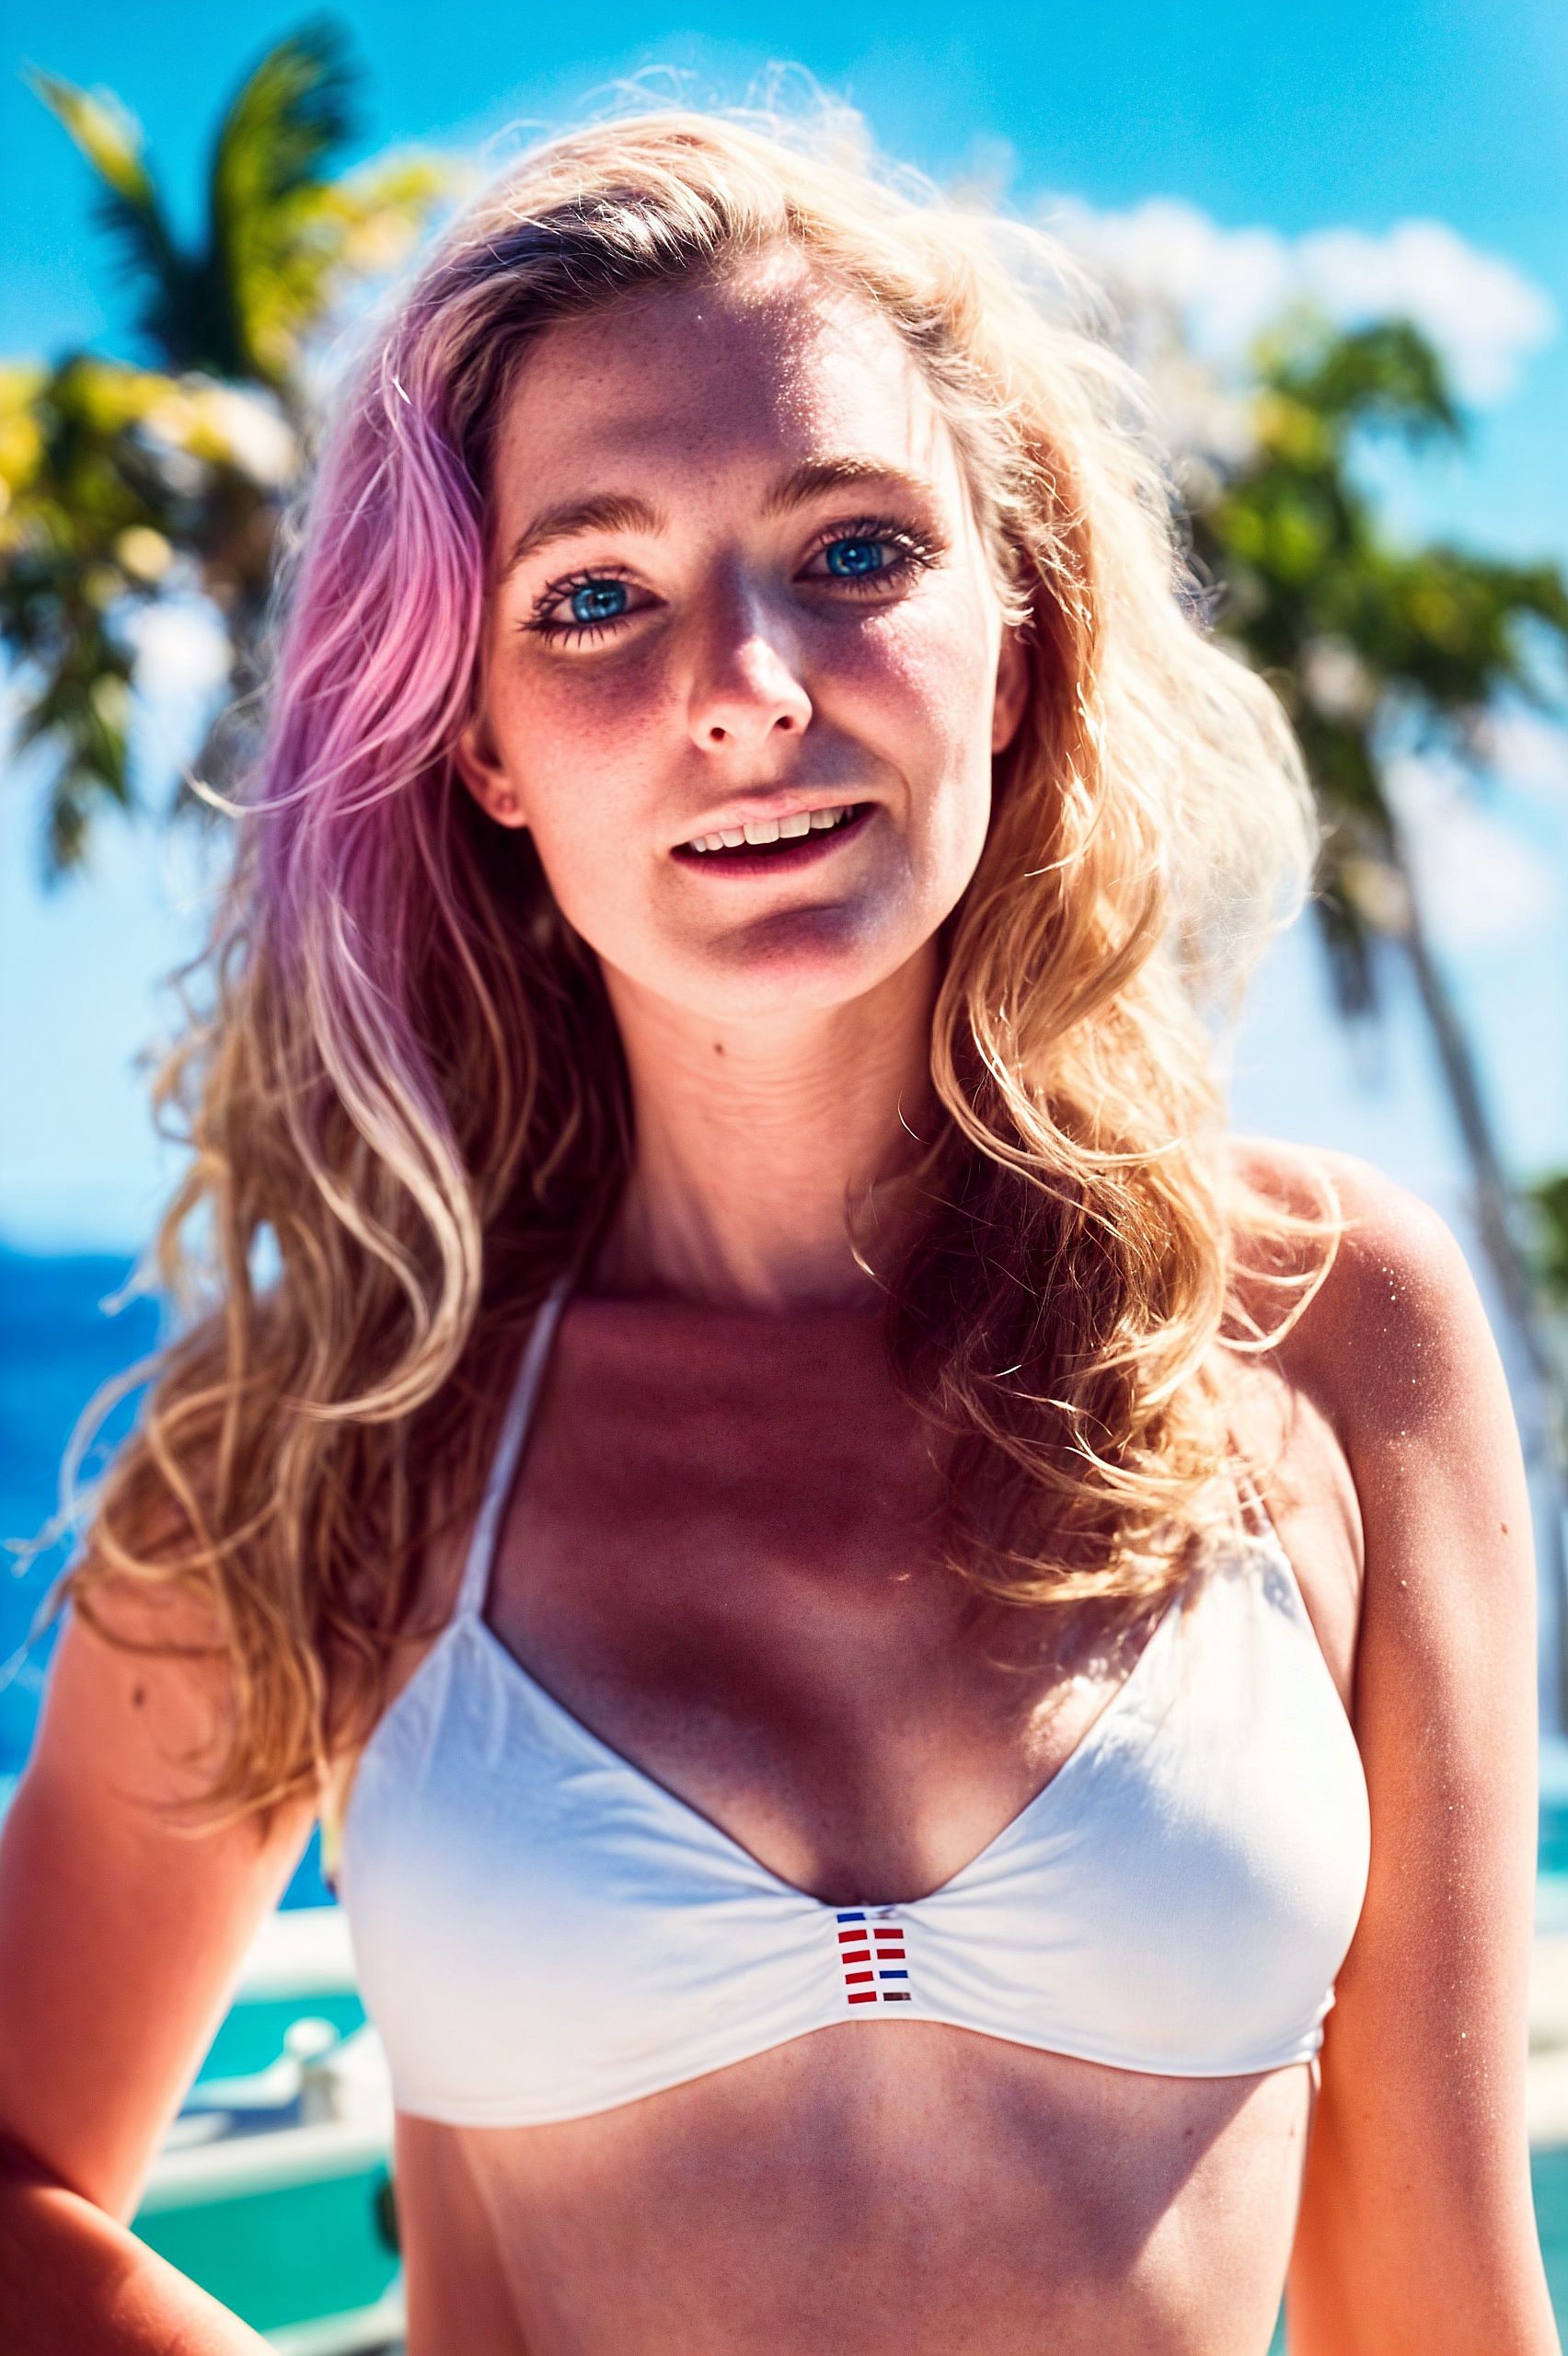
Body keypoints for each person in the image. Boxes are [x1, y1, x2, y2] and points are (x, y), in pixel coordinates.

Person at [0, 108, 1554, 2356]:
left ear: (1014, 650)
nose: (747, 684)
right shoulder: (342, 1430)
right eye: (597, 595)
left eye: (851, 551)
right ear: (487, 745)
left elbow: (1444, 2298)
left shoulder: (1330, 1337)